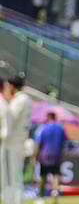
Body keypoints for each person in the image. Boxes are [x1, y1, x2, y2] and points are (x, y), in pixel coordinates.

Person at [1, 72, 33, 204]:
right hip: (19, 142)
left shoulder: (19, 100)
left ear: (13, 86)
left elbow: (9, 120)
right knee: (16, 178)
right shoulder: (27, 99)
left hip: (11, 144)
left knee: (9, 179)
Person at [33, 111, 66, 200]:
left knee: (43, 176)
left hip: (44, 155)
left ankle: (41, 198)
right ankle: (55, 191)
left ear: (48, 118)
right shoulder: (61, 128)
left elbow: (38, 143)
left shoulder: (43, 128)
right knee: (56, 175)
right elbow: (64, 142)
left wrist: (35, 156)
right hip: (57, 155)